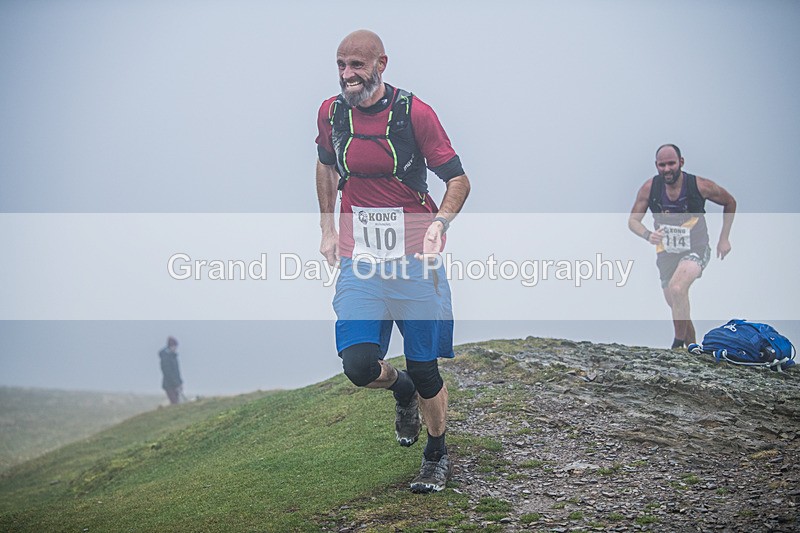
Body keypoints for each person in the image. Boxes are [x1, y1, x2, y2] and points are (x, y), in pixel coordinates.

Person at [315, 30, 471, 493]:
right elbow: (325, 164)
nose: (347, 75)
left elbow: (458, 179)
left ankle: (436, 453)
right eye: (341, 65)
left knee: (426, 370)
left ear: (381, 64)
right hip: (359, 259)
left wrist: (441, 223)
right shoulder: (331, 112)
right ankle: (398, 389)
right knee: (359, 365)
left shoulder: (414, 114)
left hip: (413, 259)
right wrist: (326, 228)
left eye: (357, 66)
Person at [629, 144, 736, 349]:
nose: (667, 169)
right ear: (656, 166)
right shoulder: (650, 188)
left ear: (681, 162)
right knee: (677, 306)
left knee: (678, 288)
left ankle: (677, 346)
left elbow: (730, 202)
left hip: (696, 248)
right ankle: (693, 348)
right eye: (662, 165)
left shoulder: (700, 186)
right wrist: (648, 235)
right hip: (666, 253)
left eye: (671, 163)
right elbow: (633, 220)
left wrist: (724, 238)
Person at [159, 336, 183, 404]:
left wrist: (180, 382)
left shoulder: (173, 356)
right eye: (175, 346)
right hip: (169, 385)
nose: (176, 348)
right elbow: (168, 373)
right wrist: (176, 383)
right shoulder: (165, 358)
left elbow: (177, 371)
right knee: (174, 403)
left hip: (175, 384)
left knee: (176, 402)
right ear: (171, 346)